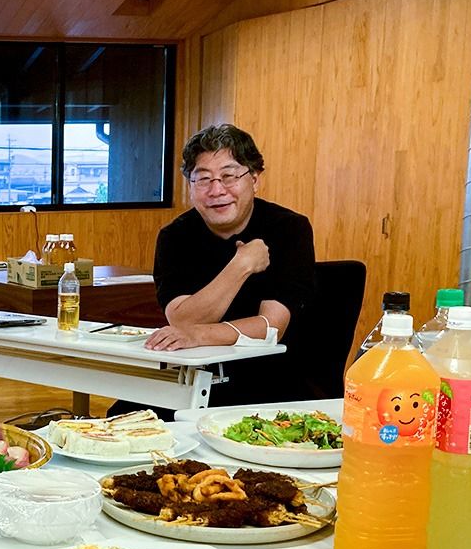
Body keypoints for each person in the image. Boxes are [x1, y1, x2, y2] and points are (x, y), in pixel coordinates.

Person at [111, 124, 317, 415]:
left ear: (254, 179)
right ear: (190, 186)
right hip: (191, 374)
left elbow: (270, 328)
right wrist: (241, 265)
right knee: (121, 417)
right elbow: (182, 320)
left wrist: (198, 335)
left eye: (229, 176)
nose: (217, 190)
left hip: (269, 375)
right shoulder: (175, 236)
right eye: (204, 179)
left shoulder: (289, 228)